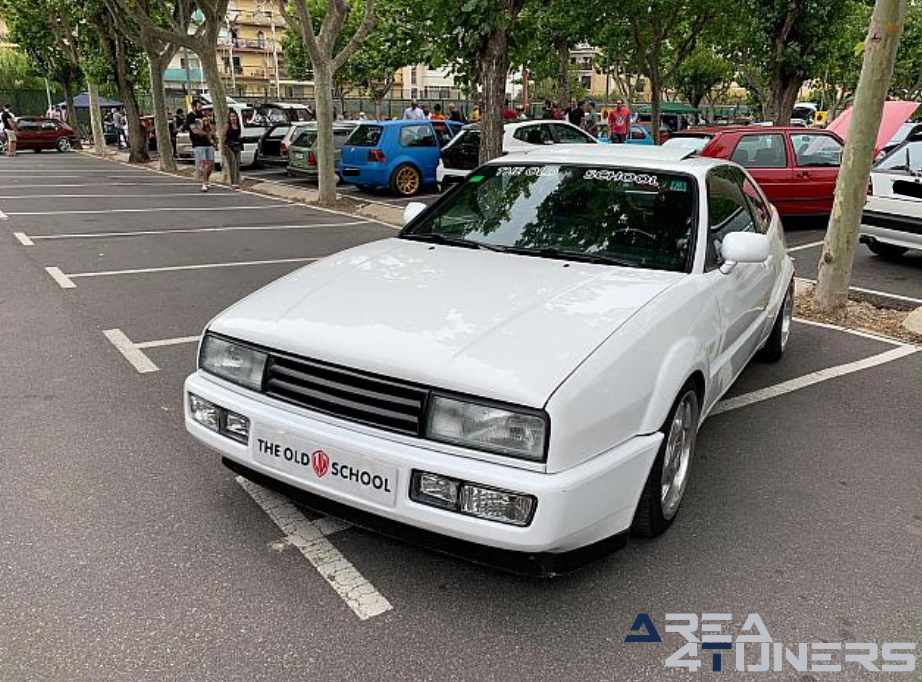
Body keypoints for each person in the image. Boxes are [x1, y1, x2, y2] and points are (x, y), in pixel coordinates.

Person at [185, 99, 216, 192]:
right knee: (203, 163)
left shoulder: (203, 115)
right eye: (199, 107)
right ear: (194, 107)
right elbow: (194, 130)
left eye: (201, 107)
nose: (200, 108)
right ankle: (204, 183)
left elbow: (211, 128)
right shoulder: (190, 116)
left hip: (208, 142)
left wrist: (211, 132)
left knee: (211, 163)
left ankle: (206, 179)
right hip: (198, 143)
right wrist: (207, 134)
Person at [223, 109, 243, 189]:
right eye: (231, 116)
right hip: (229, 146)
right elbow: (223, 136)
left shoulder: (238, 125)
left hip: (237, 145)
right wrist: (223, 147)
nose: (233, 118)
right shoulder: (227, 125)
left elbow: (238, 136)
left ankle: (237, 181)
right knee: (233, 163)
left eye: (234, 116)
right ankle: (233, 182)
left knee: (237, 164)